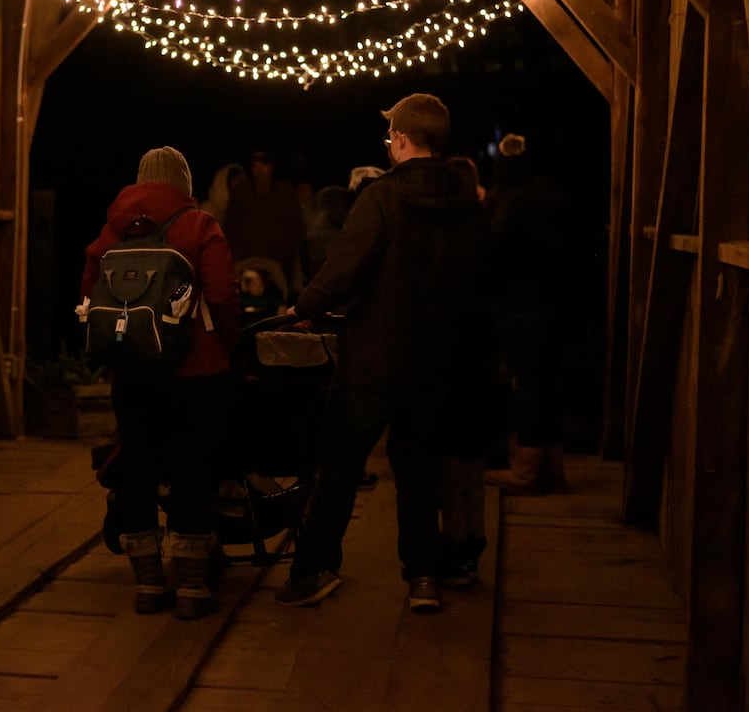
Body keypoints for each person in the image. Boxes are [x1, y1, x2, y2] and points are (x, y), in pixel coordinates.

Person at [274, 95, 488, 613]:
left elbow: (344, 268)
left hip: (374, 357)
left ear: (399, 139)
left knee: (340, 465)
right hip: (436, 361)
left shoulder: (381, 197)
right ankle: (423, 577)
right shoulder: (466, 201)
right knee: (416, 468)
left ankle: (314, 570)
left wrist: (301, 307)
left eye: (389, 135)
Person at [80, 147, 241, 618]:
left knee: (139, 469)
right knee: (193, 469)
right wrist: (225, 346)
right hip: (196, 370)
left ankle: (149, 583)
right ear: (184, 183)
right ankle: (191, 586)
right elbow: (222, 295)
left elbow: (90, 296)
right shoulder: (200, 225)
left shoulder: (112, 230)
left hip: (132, 369)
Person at [482, 134, 570, 495]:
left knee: (527, 386)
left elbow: (492, 247)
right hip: (555, 303)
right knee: (547, 384)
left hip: (519, 305)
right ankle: (553, 468)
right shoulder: (551, 194)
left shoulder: (505, 199)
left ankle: (528, 472)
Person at [435, 156, 497, 585]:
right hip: (481, 354)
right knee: (474, 465)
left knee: (449, 464)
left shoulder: (442, 233)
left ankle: (454, 548)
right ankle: (473, 547)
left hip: (448, 355)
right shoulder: (488, 228)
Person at [224, 150, 305, 292]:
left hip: (278, 266)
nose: (260, 170)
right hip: (245, 263)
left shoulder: (285, 193)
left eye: (264, 165)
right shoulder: (241, 192)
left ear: (271, 168)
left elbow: (294, 229)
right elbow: (231, 227)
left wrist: (281, 260)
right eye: (256, 165)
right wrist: (238, 259)